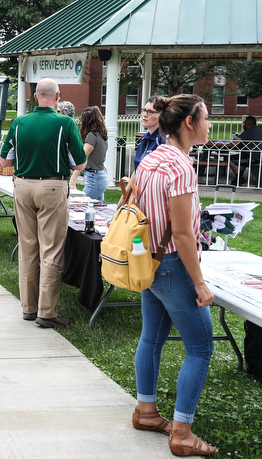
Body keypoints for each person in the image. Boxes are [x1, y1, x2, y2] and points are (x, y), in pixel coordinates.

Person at [131, 94, 217, 457]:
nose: (209, 124)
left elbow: (130, 206)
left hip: (148, 260)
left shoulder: (151, 158)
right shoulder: (180, 167)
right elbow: (182, 234)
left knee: (151, 338)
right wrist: (199, 281)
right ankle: (182, 432)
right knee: (201, 347)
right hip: (171, 264)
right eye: (206, 118)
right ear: (188, 123)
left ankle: (146, 412)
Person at [0, 78, 86, 328]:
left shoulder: (19, 123)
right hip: (52, 186)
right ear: (58, 96)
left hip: (22, 186)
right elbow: (79, 164)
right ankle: (46, 312)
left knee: (27, 248)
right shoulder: (65, 122)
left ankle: (28, 307)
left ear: (35, 97)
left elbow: (5, 162)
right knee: (51, 249)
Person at [72, 106, 109, 200]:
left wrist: (72, 180)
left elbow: (82, 159)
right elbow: (103, 158)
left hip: (94, 179)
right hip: (100, 176)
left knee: (80, 205)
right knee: (97, 210)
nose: (81, 122)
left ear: (87, 121)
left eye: (82, 119)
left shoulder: (91, 136)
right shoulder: (102, 135)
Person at [134, 95, 166, 171]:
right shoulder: (144, 138)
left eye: (150, 112)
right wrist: (129, 183)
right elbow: (138, 168)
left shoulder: (163, 141)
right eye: (144, 110)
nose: (144, 115)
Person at [229, 116, 262, 186]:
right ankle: (238, 179)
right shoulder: (259, 130)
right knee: (242, 158)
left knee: (231, 159)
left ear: (247, 125)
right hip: (259, 155)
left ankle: (239, 178)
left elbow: (234, 143)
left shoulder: (248, 131)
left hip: (253, 157)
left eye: (244, 124)